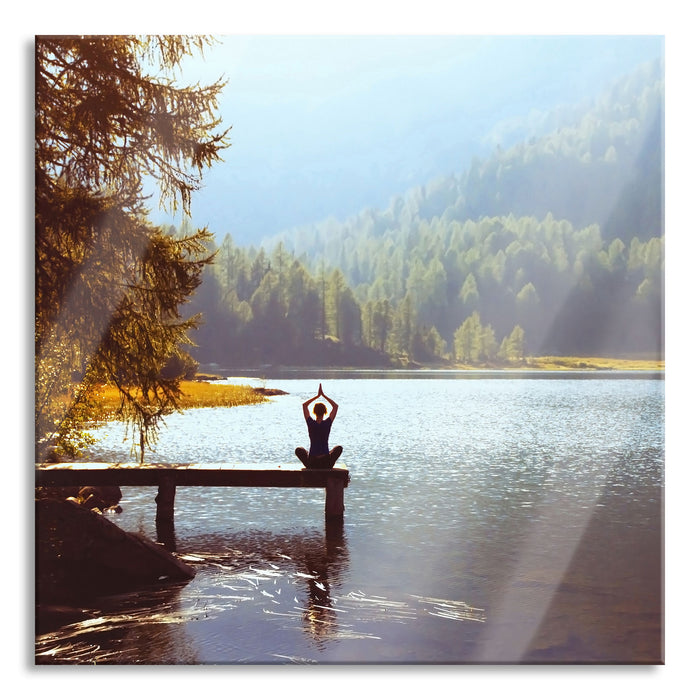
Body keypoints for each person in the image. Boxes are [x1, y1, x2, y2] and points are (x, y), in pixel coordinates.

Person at [295, 383, 343, 469]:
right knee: (338, 448)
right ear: (325, 412)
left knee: (299, 450)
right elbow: (335, 406)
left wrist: (317, 396)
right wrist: (323, 395)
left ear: (314, 412)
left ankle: (310, 465)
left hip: (312, 462)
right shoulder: (327, 423)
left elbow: (304, 405)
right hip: (326, 463)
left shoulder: (311, 423)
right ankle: (327, 464)